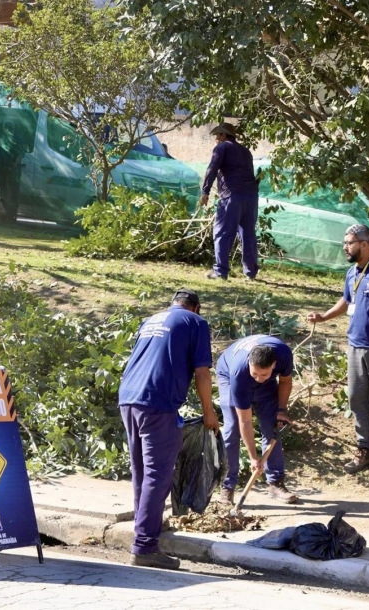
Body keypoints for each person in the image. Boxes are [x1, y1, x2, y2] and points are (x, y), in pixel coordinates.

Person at [118, 288, 218, 570]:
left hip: (128, 399)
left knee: (142, 471)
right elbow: (202, 372)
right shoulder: (195, 322)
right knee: (159, 474)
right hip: (158, 403)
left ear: (172, 304)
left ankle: (146, 526)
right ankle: (145, 547)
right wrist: (209, 412)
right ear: (196, 308)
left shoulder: (151, 320)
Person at [306, 224, 369, 479]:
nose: (345, 247)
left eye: (349, 243)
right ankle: (365, 449)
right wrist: (323, 317)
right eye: (345, 243)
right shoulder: (352, 272)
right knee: (357, 399)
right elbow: (347, 300)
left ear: (365, 244)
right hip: (355, 346)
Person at [216, 334, 298, 504]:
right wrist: (253, 457)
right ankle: (227, 486)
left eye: (264, 374)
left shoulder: (283, 355)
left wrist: (281, 410)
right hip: (229, 377)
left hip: (266, 385)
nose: (259, 379)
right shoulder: (239, 373)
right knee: (232, 429)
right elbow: (245, 421)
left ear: (274, 365)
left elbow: (285, 382)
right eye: (256, 374)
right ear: (249, 364)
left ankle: (276, 483)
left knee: (271, 426)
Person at [199, 122, 260, 281]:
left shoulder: (222, 148)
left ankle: (220, 272)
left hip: (232, 195)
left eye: (218, 135)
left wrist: (205, 191)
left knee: (223, 232)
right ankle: (251, 273)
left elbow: (212, 168)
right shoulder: (246, 151)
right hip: (251, 196)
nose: (216, 139)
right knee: (248, 234)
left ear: (224, 135)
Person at [0, 120, 26, 222]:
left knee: (12, 194)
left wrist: (13, 165)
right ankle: (8, 215)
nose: (9, 130)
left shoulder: (17, 139)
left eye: (10, 128)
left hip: (13, 171)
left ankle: (11, 216)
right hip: (4, 169)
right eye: (8, 128)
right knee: (6, 193)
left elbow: (21, 154)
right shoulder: (1, 139)